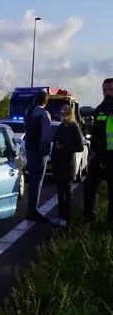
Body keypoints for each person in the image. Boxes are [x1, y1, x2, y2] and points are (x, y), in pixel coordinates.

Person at [82, 78, 113, 223]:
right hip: (99, 154)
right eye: (105, 89)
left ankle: (109, 223)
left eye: (111, 89)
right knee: (89, 187)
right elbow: (93, 133)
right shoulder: (100, 108)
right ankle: (89, 219)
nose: (107, 92)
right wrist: (89, 125)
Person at [51, 104, 84, 227]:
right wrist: (54, 160)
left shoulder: (73, 127)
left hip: (68, 164)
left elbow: (79, 147)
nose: (63, 115)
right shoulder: (60, 128)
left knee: (67, 192)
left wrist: (65, 147)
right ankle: (61, 216)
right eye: (61, 112)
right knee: (60, 192)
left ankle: (67, 218)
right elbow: (55, 145)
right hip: (59, 163)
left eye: (65, 113)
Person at [23, 90, 53, 222]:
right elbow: (46, 136)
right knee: (37, 181)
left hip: (29, 149)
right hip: (39, 151)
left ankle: (31, 207)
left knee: (32, 180)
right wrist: (46, 150)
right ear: (46, 102)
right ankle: (33, 210)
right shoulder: (44, 114)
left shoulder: (28, 112)